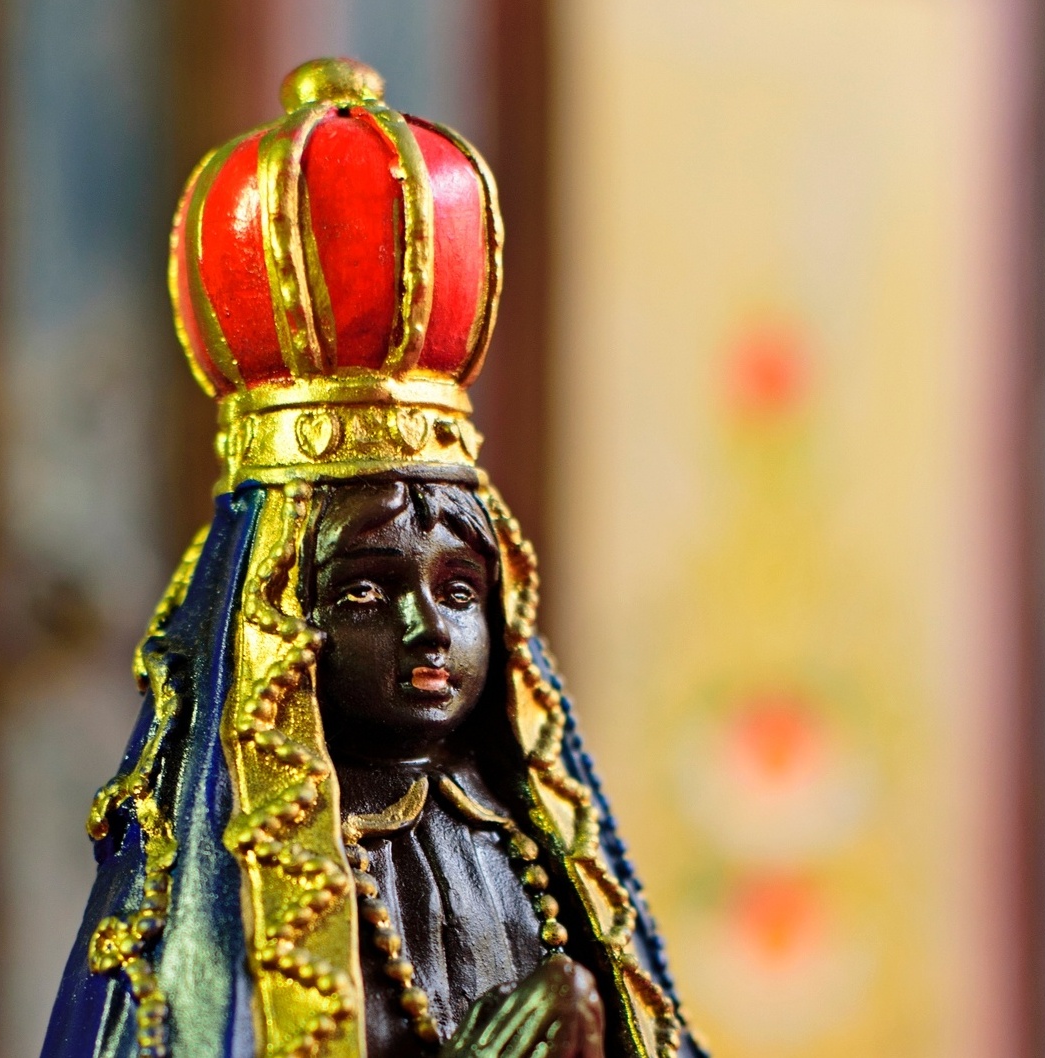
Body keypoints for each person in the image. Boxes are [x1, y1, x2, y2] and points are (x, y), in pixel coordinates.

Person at [40, 58, 706, 1058]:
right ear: (274, 626)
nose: (427, 629)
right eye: (363, 590)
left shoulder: (523, 833)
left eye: (460, 591)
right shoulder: (241, 873)